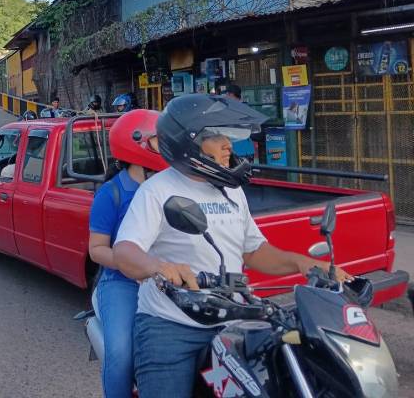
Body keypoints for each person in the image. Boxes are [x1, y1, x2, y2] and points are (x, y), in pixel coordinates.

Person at [113, 94, 352, 397]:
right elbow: (125, 251)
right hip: (172, 327)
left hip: (234, 320)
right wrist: (160, 267)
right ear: (188, 143)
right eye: (215, 136)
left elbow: (252, 251)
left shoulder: (231, 191)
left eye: (227, 135)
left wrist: (303, 263)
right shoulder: (157, 190)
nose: (228, 145)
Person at [88, 109, 165, 398]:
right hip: (120, 282)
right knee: (121, 355)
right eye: (160, 141)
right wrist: (134, 265)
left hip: (165, 279)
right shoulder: (111, 193)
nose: (167, 147)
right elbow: (96, 249)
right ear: (137, 143)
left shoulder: (169, 186)